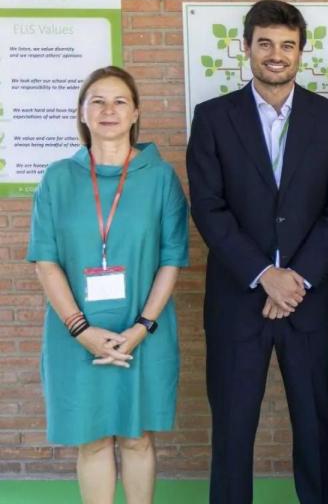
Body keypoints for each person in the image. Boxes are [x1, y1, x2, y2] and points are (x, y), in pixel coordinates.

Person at [186, 0, 328, 504]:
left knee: (315, 429)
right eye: (265, 44)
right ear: (246, 49)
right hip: (239, 303)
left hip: (310, 303)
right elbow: (209, 208)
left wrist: (296, 276)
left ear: (302, 52)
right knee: (233, 434)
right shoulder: (213, 117)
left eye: (287, 45)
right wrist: (265, 273)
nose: (276, 55)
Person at [28, 66, 189, 504]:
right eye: (97, 100)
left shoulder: (160, 178)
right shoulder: (58, 178)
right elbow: (45, 260)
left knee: (136, 438)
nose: (108, 110)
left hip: (144, 331)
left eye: (120, 101)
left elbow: (172, 259)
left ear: (136, 111)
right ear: (82, 112)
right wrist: (81, 330)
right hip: (75, 334)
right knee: (94, 440)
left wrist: (140, 328)